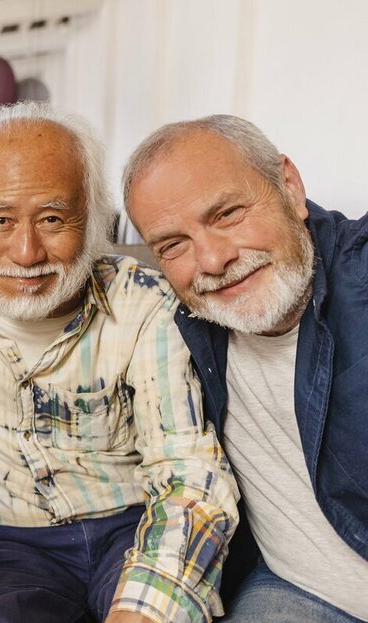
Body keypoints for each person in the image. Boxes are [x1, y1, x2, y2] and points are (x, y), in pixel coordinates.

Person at [0, 101, 239, 623]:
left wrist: (146, 610)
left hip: (132, 523)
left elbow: (189, 469)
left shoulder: (146, 306)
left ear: (92, 220)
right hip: (7, 541)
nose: (26, 252)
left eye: (52, 218)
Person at [124, 115, 368, 623]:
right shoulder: (178, 322)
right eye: (173, 244)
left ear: (290, 186)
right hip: (293, 586)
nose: (211, 260)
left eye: (228, 213)